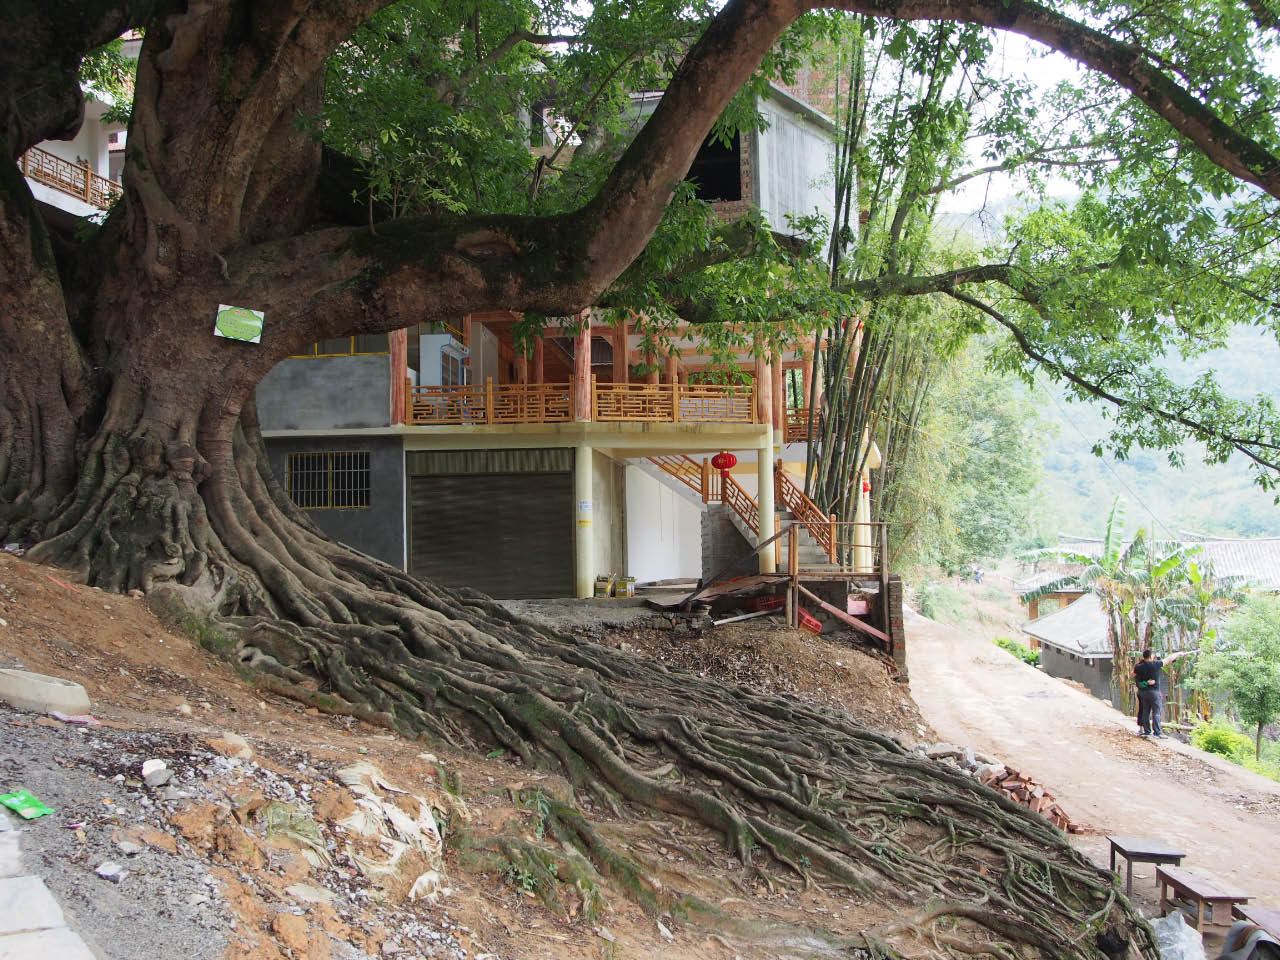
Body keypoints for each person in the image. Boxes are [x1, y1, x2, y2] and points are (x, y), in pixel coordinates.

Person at [1133, 648, 1191, 738]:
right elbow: (1169, 659)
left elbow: (1133, 675)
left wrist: (1144, 682)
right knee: (1156, 712)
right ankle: (1157, 732)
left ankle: (1147, 731)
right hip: (1154, 692)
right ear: (1151, 656)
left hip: (1143, 693)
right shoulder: (1156, 664)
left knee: (1145, 712)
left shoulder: (1138, 667)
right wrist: (1179, 653)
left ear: (1143, 657)